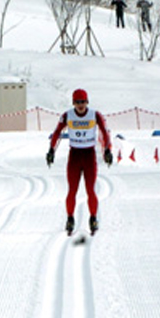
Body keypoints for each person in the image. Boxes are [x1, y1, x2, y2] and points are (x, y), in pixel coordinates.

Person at [45, 88, 113, 235]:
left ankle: (93, 218)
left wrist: (107, 150)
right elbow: (57, 132)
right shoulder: (67, 115)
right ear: (73, 103)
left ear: (87, 102)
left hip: (89, 155)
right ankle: (70, 218)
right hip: (75, 155)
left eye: (82, 102)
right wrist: (51, 150)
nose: (80, 105)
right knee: (72, 190)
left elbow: (105, 132)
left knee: (90, 190)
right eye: (77, 102)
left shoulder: (95, 115)